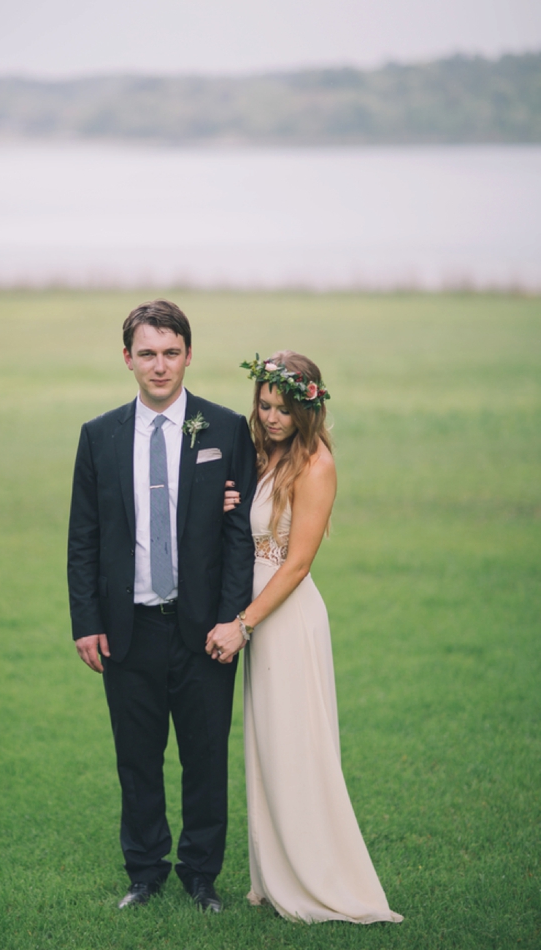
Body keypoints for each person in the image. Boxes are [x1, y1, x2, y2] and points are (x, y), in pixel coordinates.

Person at [67, 300, 257, 912]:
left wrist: (232, 619)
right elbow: (84, 537)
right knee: (137, 759)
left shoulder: (224, 429)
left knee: (206, 758)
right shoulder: (98, 436)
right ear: (127, 359)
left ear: (188, 355)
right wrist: (87, 623)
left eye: (170, 352)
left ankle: (201, 875)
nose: (159, 365)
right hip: (129, 630)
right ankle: (144, 872)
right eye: (146, 353)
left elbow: (239, 538)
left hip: (204, 629)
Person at [206, 351, 403, 925]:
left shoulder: (316, 463)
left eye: (283, 409)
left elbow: (295, 566)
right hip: (256, 614)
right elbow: (242, 524)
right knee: (267, 745)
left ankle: (318, 877)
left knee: (297, 744)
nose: (270, 417)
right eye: (264, 405)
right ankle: (275, 875)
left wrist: (243, 625)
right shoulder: (261, 453)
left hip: (284, 615)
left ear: (306, 408)